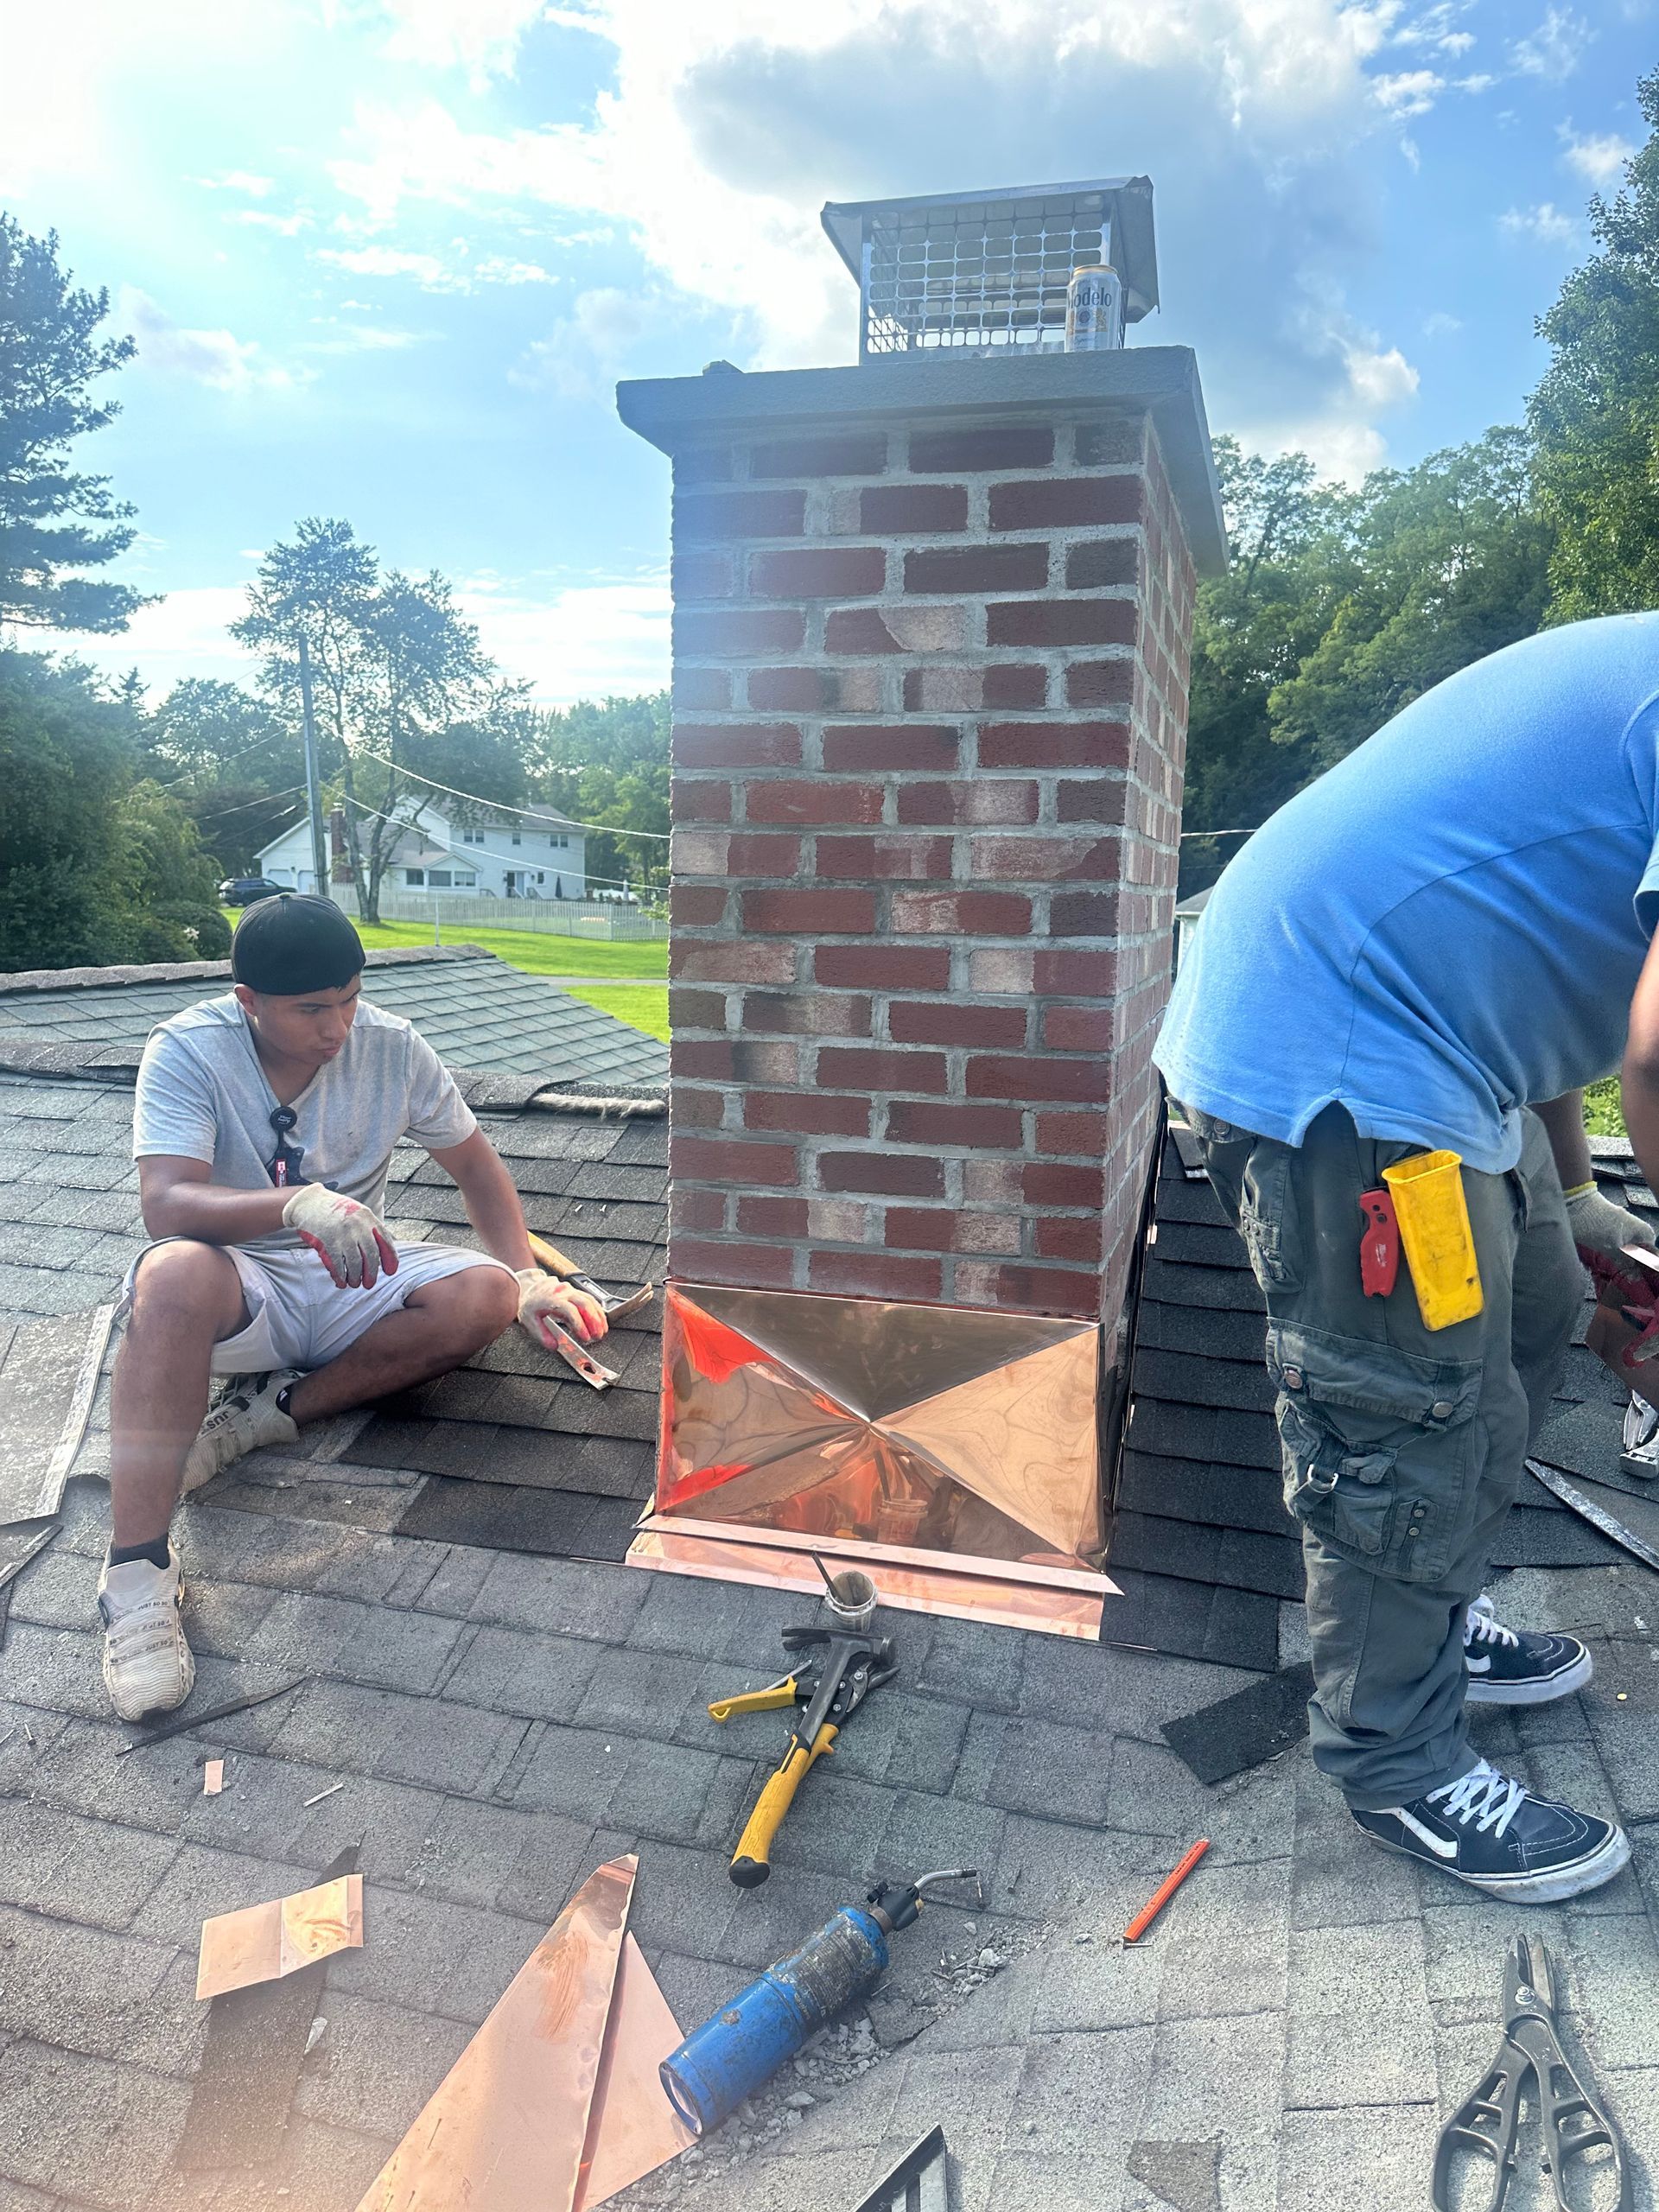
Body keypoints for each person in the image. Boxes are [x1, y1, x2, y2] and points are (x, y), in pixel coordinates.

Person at [1154, 611, 1659, 1904]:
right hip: (1339, 1053)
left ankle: (1425, 1622)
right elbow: (1656, 1054)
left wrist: (1575, 1197)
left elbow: (1521, 961)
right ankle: (1395, 1758)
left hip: (1441, 1048)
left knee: (1543, 1305)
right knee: (1409, 1408)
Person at [99, 894, 609, 1722]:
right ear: (248, 1003)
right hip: (239, 1282)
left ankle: (268, 1415)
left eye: (348, 998)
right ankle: (135, 1577)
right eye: (311, 1010)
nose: (337, 1027)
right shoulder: (189, 1050)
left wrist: (529, 1279)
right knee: (170, 1277)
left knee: (484, 1293)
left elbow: (478, 1170)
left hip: (348, 1271)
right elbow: (167, 1204)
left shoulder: (390, 1045)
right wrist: (295, 1204)